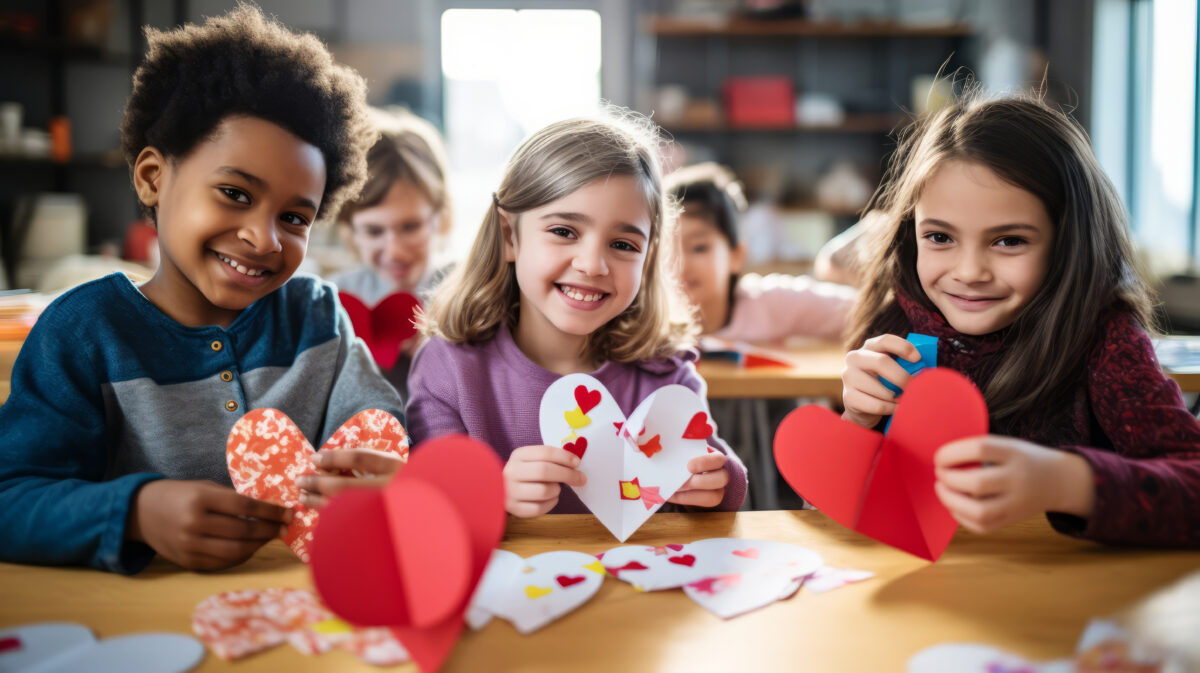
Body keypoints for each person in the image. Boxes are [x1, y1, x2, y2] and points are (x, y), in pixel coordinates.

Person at [0, 6, 404, 574]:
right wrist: (137, 511)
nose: (263, 238)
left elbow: (378, 433)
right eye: (236, 194)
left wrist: (385, 476)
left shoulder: (317, 318)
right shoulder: (84, 332)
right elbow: (11, 498)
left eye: (294, 217)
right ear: (152, 177)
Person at [839, 89, 1200, 546]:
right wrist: (856, 420)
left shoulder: (1103, 339)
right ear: (913, 232)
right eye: (939, 237)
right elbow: (842, 511)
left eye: (1008, 241)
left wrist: (1067, 482)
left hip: (1065, 607)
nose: (969, 273)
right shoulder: (897, 322)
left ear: (1067, 241)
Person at [408, 110, 748, 517]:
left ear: (649, 256)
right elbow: (429, 504)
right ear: (508, 236)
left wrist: (718, 482)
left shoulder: (666, 374)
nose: (592, 264)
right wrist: (489, 491)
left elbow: (710, 476)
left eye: (623, 245)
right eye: (564, 232)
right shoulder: (449, 369)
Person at [329, 107, 453, 396]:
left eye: (410, 226)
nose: (394, 251)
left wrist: (451, 352)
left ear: (440, 217)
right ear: (350, 230)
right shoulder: (333, 300)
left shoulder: (466, 289)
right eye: (374, 231)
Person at [668, 162, 856, 344]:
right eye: (666, 249)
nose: (680, 264)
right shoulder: (644, 320)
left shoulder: (770, 303)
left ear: (736, 256)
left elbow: (864, 309)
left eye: (699, 248)